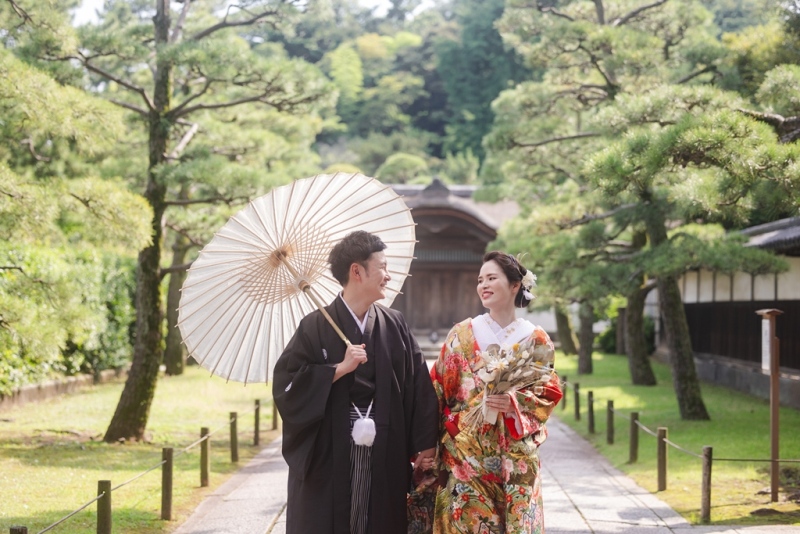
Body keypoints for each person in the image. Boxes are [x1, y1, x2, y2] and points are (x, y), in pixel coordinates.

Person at [272, 230, 438, 534]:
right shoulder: (314, 326)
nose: (388, 275)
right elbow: (287, 386)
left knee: (380, 520)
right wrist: (338, 369)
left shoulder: (394, 323)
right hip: (330, 448)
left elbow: (418, 386)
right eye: (383, 267)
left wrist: (425, 444)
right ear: (357, 272)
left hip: (385, 443)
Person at [429, 251, 563, 534]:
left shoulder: (536, 339)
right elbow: (438, 388)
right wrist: (430, 443)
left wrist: (515, 402)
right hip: (466, 455)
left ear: (515, 285)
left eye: (491, 278)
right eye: (480, 280)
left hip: (516, 457)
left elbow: (547, 391)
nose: (483, 285)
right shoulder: (461, 334)